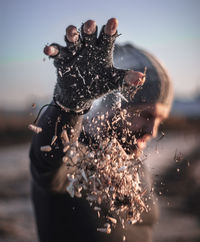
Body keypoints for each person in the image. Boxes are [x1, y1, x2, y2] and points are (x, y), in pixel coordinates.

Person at [29, 18, 173, 242]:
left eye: (159, 119)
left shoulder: (130, 161)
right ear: (109, 106)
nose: (152, 131)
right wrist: (69, 105)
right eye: (145, 114)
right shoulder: (72, 157)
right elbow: (46, 160)